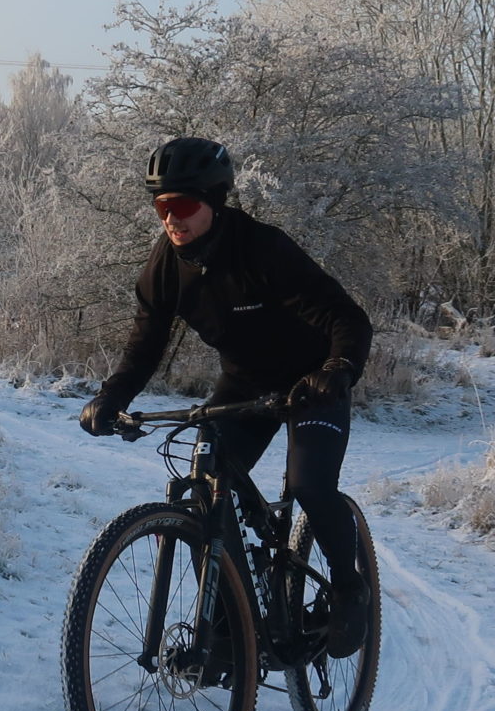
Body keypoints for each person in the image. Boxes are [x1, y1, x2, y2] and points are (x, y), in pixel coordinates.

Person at [80, 137, 375, 656]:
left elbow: (345, 318)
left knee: (308, 484)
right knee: (206, 492)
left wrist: (338, 368)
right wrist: (111, 397)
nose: (171, 218)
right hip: (245, 385)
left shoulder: (262, 249)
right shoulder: (165, 268)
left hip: (312, 381)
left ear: (214, 202)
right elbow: (144, 345)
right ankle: (224, 628)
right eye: (161, 207)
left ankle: (350, 590)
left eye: (182, 204)